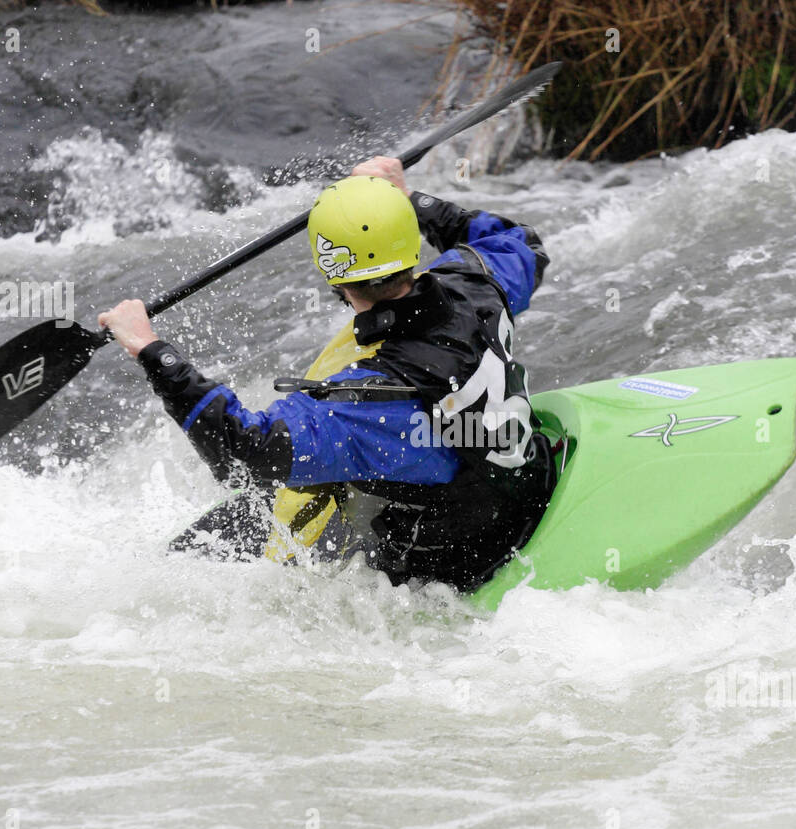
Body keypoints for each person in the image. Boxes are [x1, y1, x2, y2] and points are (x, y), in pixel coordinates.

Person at [98, 156, 555, 591]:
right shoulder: (477, 282)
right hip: (524, 491)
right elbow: (522, 241)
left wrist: (150, 349)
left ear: (334, 279)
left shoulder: (373, 404)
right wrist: (409, 198)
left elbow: (244, 452)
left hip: (455, 565)